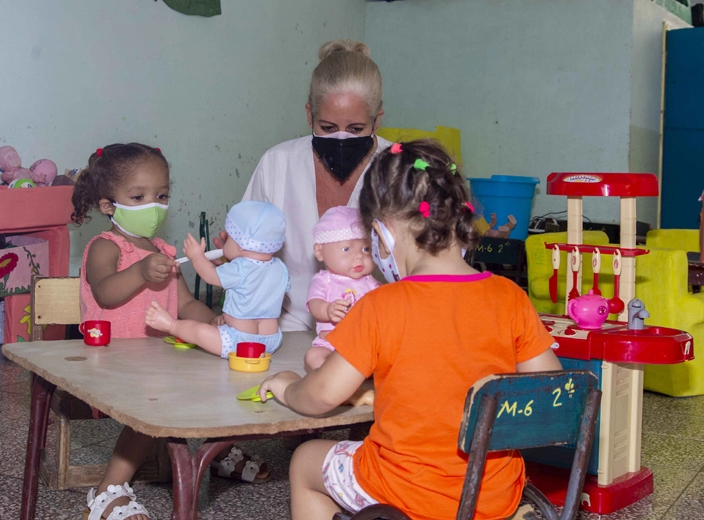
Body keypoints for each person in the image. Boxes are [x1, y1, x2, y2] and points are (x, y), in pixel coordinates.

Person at [258, 139, 563, 520]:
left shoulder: (381, 306)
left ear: (383, 234)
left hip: (406, 491)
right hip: (492, 493)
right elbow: (552, 394)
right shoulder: (509, 297)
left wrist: (287, 387)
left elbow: (321, 395)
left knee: (305, 460)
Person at [71, 143, 269, 520]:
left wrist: (211, 322)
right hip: (111, 362)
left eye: (161, 196)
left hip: (159, 358)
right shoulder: (104, 247)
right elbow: (105, 293)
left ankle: (216, 449)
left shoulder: (163, 250)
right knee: (154, 395)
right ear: (107, 205)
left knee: (219, 374)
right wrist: (141, 272)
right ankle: (105, 493)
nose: (153, 206)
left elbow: (186, 304)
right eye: (138, 196)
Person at [219, 39, 392, 334]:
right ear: (309, 114)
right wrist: (233, 251)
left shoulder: (399, 171)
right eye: (326, 127)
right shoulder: (278, 163)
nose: (340, 140)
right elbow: (244, 254)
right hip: (285, 326)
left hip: (377, 330)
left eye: (355, 129)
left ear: (377, 121)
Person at [145, 200, 289, 359]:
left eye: (229, 238)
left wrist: (196, 256)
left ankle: (171, 325)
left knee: (199, 332)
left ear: (241, 245)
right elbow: (262, 293)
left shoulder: (240, 268)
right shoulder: (280, 268)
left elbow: (210, 275)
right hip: (271, 340)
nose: (225, 240)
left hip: (238, 342)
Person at [305, 206, 379, 371]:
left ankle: (357, 376)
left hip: (363, 345)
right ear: (320, 252)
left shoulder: (370, 282)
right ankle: (332, 377)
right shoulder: (324, 279)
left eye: (366, 249)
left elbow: (384, 303)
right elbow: (314, 303)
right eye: (346, 249)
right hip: (330, 344)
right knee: (313, 356)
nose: (359, 256)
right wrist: (327, 310)